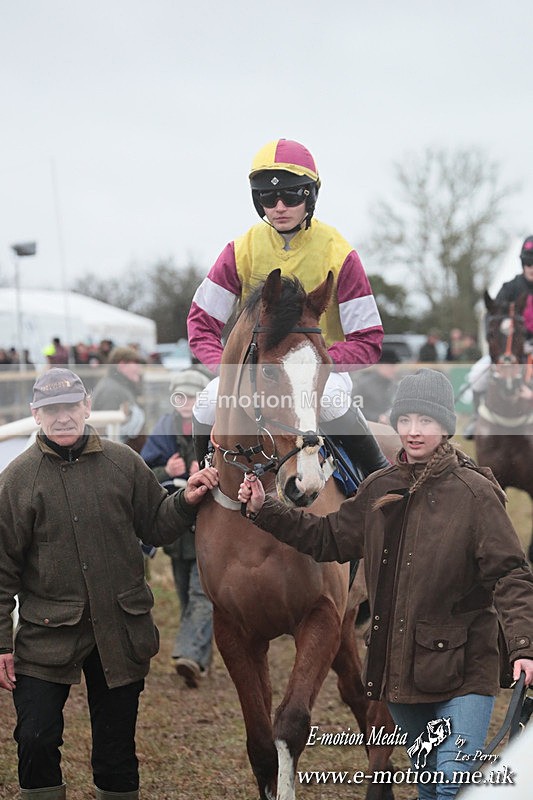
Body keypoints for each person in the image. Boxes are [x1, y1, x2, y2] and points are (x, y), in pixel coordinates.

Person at [237, 368, 533, 799]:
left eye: (427, 421)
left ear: (447, 427)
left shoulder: (476, 494)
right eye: (406, 420)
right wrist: (266, 510)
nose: (414, 432)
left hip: (467, 667)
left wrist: (524, 646)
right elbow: (327, 537)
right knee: (429, 780)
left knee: (451, 783)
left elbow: (510, 573)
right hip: (399, 668)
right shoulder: (378, 488)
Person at [0, 368, 219, 800]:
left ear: (86, 407)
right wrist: (1, 643)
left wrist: (187, 499)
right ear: (36, 414)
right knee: (35, 738)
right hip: (46, 632)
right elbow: (1, 568)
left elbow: (156, 524)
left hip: (120, 628)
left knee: (116, 752)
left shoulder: (123, 463)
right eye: (52, 410)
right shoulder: (17, 480)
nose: (63, 418)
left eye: (70, 407)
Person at [187, 137, 389, 478]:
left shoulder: (339, 253)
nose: (279, 206)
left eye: (291, 196)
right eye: (268, 197)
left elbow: (369, 339)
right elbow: (201, 323)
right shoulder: (241, 249)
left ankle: (377, 479)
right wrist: (229, 368)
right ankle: (204, 478)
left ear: (309, 196)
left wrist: (313, 366)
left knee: (332, 404)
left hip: (320, 374)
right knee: (207, 406)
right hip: (257, 371)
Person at [140, 368, 213, 688]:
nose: (186, 402)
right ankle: (199, 657)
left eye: (194, 396)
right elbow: (141, 475)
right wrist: (164, 469)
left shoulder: (215, 428)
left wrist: (210, 469)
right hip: (175, 527)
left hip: (211, 526)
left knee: (202, 592)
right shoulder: (164, 428)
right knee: (186, 593)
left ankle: (189, 653)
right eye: (180, 395)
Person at [463, 235, 533, 438]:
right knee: (477, 375)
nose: (531, 267)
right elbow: (491, 315)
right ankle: (477, 418)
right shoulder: (510, 287)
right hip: (509, 350)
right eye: (528, 262)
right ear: (522, 263)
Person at [91, 346, 147, 452]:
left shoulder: (120, 387)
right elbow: (107, 434)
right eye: (135, 363)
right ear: (122, 365)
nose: (139, 368)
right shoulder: (111, 391)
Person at [352, 347, 401, 425]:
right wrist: (376, 417)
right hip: (368, 429)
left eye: (394, 366)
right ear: (381, 366)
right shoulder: (364, 384)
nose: (394, 370)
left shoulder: (394, 385)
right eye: (391, 366)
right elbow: (353, 408)